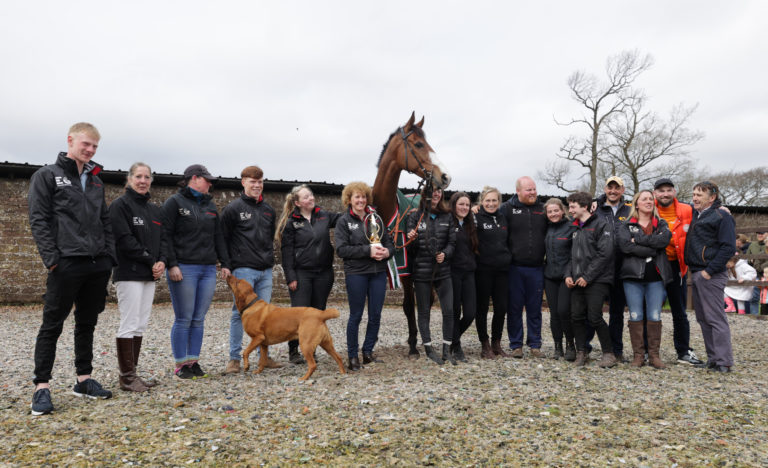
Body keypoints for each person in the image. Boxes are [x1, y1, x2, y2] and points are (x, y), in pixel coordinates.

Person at [27, 122, 116, 415]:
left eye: (94, 147)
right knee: (52, 325)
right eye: (85, 144)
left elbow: (105, 220)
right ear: (71, 140)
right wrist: (53, 259)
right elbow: (39, 220)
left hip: (96, 264)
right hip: (65, 263)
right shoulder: (47, 176)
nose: (89, 150)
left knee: (87, 323)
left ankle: (84, 380)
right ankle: (41, 387)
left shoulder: (96, 181)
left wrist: (109, 257)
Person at [163, 164, 231, 379]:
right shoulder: (174, 202)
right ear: (194, 178)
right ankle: (180, 364)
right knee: (184, 318)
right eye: (207, 180)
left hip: (208, 269)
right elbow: (165, 235)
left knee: (199, 318)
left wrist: (226, 263)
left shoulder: (210, 206)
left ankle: (193, 361)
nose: (210, 184)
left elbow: (218, 236)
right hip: (184, 267)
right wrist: (171, 264)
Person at [109, 162, 167, 392]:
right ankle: (126, 377)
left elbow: (162, 239)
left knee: (141, 324)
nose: (143, 181)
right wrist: (149, 260)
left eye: (147, 177)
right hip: (129, 273)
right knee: (129, 322)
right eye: (138, 176)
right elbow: (124, 240)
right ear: (130, 179)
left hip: (149, 273)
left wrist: (162, 260)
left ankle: (133, 375)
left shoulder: (154, 210)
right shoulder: (119, 206)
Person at [221, 166, 280, 374]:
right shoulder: (233, 209)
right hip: (243, 269)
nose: (257, 185)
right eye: (252, 181)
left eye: (260, 181)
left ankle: (263, 357)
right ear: (243, 182)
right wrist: (226, 264)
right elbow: (223, 239)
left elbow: (269, 238)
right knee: (239, 315)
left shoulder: (269, 210)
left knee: (265, 315)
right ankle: (234, 359)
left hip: (265, 270)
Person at [276, 184, 341, 364]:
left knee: (317, 313)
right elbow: (287, 253)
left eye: (311, 195)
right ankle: (294, 351)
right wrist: (291, 278)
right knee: (299, 315)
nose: (310, 199)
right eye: (306, 197)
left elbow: (345, 218)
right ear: (297, 203)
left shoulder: (324, 216)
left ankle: (310, 347)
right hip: (301, 274)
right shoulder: (291, 223)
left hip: (324, 274)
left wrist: (362, 207)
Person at [335, 182, 394, 371]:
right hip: (357, 273)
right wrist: (367, 251)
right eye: (356, 197)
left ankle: (368, 352)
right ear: (349, 199)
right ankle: (352, 356)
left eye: (363, 197)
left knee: (375, 314)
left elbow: (389, 243)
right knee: (356, 315)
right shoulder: (344, 221)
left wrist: (387, 253)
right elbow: (341, 249)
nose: (361, 200)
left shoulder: (375, 219)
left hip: (377, 273)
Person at [616, 190, 673, 369]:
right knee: (636, 315)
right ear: (636, 204)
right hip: (632, 278)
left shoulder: (661, 224)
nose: (648, 201)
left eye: (651, 199)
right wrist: (650, 248)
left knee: (654, 315)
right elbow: (625, 247)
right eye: (644, 199)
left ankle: (654, 355)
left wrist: (638, 241)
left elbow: (663, 242)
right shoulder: (626, 226)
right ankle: (638, 355)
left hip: (656, 278)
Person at [684, 180, 736, 373]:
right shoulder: (697, 214)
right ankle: (714, 358)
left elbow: (728, 247)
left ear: (712, 197)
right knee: (704, 319)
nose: (694, 198)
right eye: (694, 194)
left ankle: (724, 361)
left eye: (699, 195)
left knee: (715, 318)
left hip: (710, 274)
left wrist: (709, 271)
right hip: (697, 272)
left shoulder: (721, 216)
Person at [652, 178, 704, 365]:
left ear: (674, 191)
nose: (665, 194)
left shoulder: (687, 210)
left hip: (677, 265)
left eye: (668, 190)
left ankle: (683, 350)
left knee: (679, 311)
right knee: (649, 310)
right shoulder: (648, 207)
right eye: (661, 191)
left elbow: (707, 213)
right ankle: (647, 351)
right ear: (654, 193)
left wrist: (722, 208)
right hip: (654, 264)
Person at [564, 192, 617, 368]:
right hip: (578, 280)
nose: (570, 210)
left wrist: (588, 276)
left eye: (572, 206)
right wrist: (568, 275)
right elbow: (571, 256)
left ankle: (609, 353)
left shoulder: (601, 225)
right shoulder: (574, 228)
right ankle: (582, 352)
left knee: (594, 317)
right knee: (576, 317)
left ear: (584, 207)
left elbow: (605, 254)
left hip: (598, 280)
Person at [406, 187, 457, 365]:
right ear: (425, 195)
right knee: (424, 311)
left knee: (449, 310)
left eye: (439, 192)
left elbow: (452, 243)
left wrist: (446, 254)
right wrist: (410, 239)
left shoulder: (447, 216)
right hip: (421, 272)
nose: (435, 194)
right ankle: (428, 348)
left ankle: (446, 349)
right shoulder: (414, 216)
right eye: (432, 191)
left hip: (443, 271)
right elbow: (410, 251)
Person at [501, 176, 548, 358]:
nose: (533, 192)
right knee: (514, 308)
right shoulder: (506, 209)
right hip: (515, 268)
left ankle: (535, 345)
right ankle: (516, 345)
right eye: (528, 190)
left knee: (535, 308)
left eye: (534, 189)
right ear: (518, 191)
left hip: (537, 268)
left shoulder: (542, 209)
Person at [594, 176, 632, 361]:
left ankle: (616, 350)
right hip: (600, 267)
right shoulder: (596, 209)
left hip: (621, 267)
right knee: (593, 311)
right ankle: (585, 347)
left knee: (617, 312)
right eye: (610, 187)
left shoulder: (631, 210)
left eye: (617, 188)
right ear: (605, 189)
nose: (613, 191)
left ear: (623, 190)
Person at [474, 186, 512, 359]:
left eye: (494, 200)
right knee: (482, 309)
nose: (491, 203)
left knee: (501, 308)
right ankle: (485, 344)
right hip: (483, 270)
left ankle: (497, 343)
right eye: (487, 200)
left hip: (502, 270)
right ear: (482, 202)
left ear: (499, 202)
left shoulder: (503, 218)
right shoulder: (476, 218)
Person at [543, 198, 576, 361]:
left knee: (564, 311)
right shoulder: (545, 227)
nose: (553, 214)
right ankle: (558, 346)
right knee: (554, 313)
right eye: (550, 211)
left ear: (563, 211)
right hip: (549, 276)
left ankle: (571, 344)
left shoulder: (571, 227)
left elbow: (574, 254)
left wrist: (569, 273)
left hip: (566, 276)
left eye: (556, 210)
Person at [448, 192, 478, 362]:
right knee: (454, 311)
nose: (464, 208)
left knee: (470, 313)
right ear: (454, 205)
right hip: (452, 272)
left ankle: (451, 338)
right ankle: (456, 346)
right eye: (461, 204)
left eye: (467, 205)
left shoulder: (470, 224)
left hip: (469, 273)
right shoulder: (447, 222)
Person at [746, 230, 768, 315]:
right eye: (758, 233)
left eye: (762, 233)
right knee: (755, 298)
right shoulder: (754, 246)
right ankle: (755, 317)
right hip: (759, 276)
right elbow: (754, 264)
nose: (760, 235)